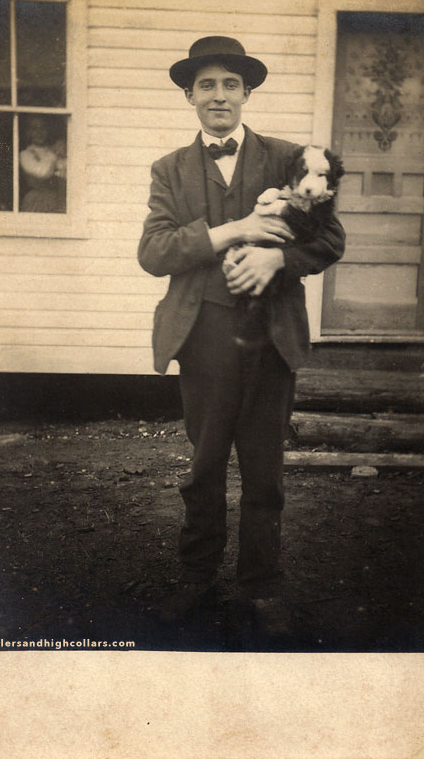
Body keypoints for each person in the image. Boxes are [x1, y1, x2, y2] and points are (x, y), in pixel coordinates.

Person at [138, 37, 345, 634]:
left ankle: (261, 585)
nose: (220, 96)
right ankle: (196, 576)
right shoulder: (169, 170)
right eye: (207, 85)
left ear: (247, 93)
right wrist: (235, 229)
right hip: (201, 334)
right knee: (203, 466)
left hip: (270, 338)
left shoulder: (289, 157)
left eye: (231, 84)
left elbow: (330, 239)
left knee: (265, 469)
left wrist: (279, 261)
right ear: (190, 96)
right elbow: (154, 252)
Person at [19, 115, 66, 213]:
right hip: (37, 202)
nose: (39, 132)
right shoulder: (26, 154)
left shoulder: (53, 151)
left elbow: (65, 171)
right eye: (34, 128)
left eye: (42, 128)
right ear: (28, 132)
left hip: (57, 198)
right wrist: (56, 153)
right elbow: (43, 172)